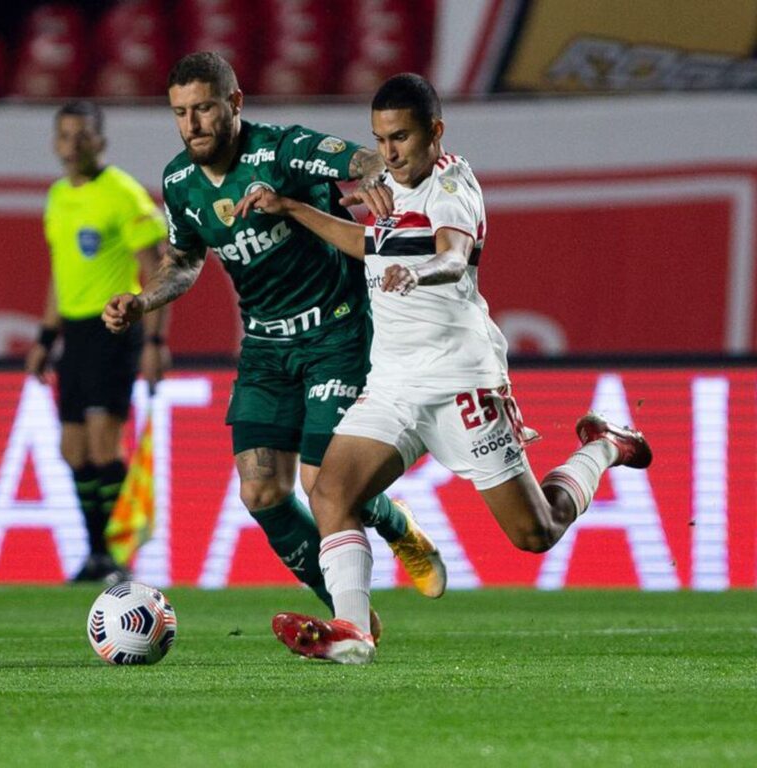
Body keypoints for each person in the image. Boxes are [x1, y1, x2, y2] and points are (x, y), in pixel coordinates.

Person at [234, 72, 654, 664]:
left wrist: (419, 272)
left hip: (462, 380)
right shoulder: (389, 186)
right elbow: (367, 244)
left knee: (534, 533)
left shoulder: (452, 184)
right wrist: (293, 208)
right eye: (380, 140)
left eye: (401, 137)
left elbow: (453, 257)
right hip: (394, 382)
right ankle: (353, 631)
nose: (389, 152)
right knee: (331, 492)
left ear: (435, 131)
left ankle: (605, 445)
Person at [103, 52, 446, 622]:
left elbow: (358, 157)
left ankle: (394, 526)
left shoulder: (281, 149)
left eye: (204, 109)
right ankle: (338, 603)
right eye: (181, 113)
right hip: (265, 347)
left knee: (321, 482)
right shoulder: (179, 182)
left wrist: (370, 176)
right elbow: (184, 261)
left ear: (234, 103)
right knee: (260, 493)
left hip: (336, 330)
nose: (192, 125)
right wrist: (143, 301)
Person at [26, 100, 170, 584]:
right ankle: (96, 554)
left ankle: (117, 554)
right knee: (73, 449)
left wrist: (154, 339)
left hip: (115, 329)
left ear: (101, 141)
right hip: (74, 333)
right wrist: (46, 336)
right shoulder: (57, 198)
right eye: (65, 135)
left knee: (105, 447)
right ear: (54, 142)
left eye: (83, 136)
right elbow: (60, 273)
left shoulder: (123, 194)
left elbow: (158, 271)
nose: (73, 145)